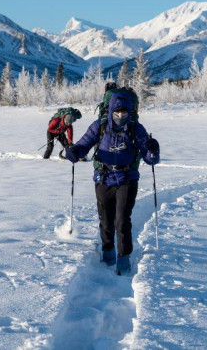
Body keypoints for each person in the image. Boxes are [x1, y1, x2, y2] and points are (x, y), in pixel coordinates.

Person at [65, 91, 160, 275]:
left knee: (122, 220)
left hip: (127, 179)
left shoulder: (135, 128)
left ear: (130, 112)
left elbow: (151, 160)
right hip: (103, 177)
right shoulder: (99, 126)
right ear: (110, 111)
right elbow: (84, 144)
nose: (121, 116)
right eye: (117, 112)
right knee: (106, 220)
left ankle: (123, 261)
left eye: (124, 113)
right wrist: (74, 152)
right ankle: (107, 255)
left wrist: (153, 151)